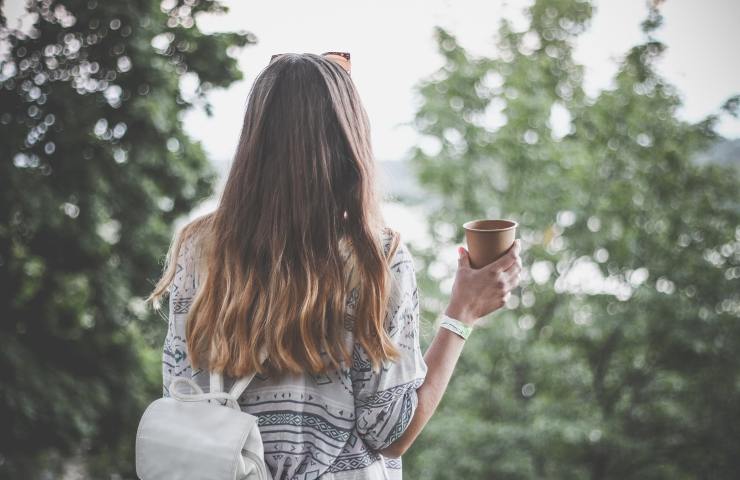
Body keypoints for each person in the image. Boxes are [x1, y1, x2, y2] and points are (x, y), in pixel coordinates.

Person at [146, 52, 522, 480]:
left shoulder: (199, 248)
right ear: (349, 142)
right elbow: (390, 432)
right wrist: (462, 313)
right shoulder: (373, 258)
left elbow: (183, 399)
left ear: (253, 140)